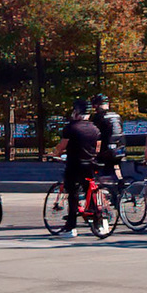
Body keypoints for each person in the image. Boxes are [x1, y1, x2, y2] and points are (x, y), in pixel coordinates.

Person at [53, 101, 102, 239]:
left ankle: (71, 226)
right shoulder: (95, 129)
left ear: (77, 112)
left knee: (72, 193)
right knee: (90, 190)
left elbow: (62, 146)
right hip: (90, 164)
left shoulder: (71, 128)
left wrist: (54, 155)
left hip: (75, 164)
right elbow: (97, 148)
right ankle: (98, 221)